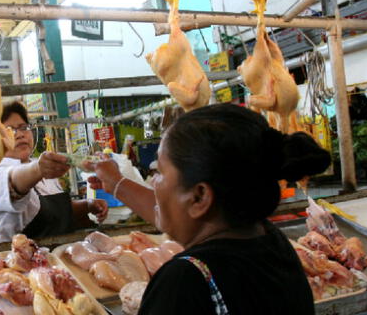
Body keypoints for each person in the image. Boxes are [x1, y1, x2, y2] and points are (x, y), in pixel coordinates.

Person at [86, 104, 330, 314]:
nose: (154, 183)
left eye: (158, 172)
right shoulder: (272, 242)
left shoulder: (185, 282)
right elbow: (173, 213)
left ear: (200, 196)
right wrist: (117, 184)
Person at [0, 101, 109, 243]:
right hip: (20, 261)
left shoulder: (41, 168)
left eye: (23, 127)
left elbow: (54, 214)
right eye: (9, 130)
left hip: (58, 256)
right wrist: (39, 169)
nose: (20, 135)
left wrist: (88, 205)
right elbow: (13, 182)